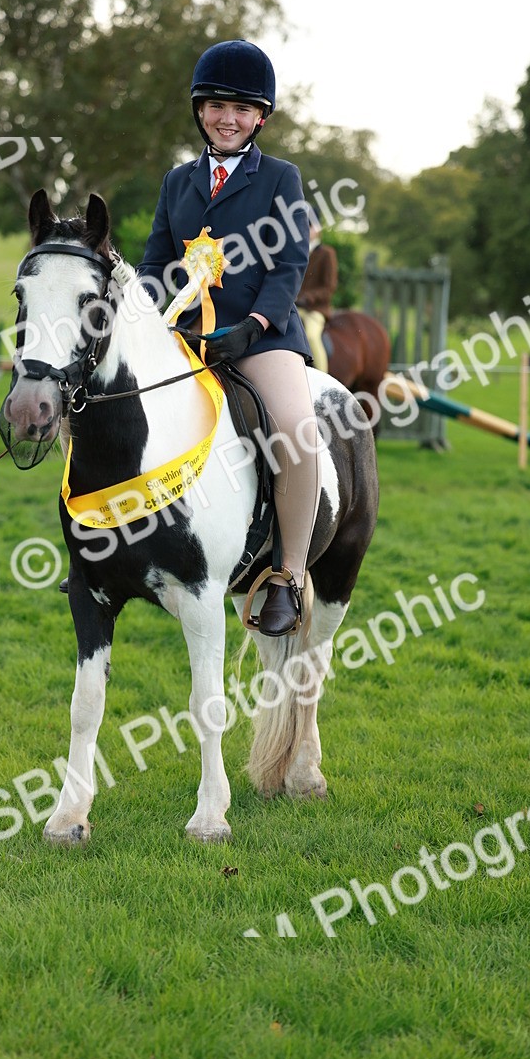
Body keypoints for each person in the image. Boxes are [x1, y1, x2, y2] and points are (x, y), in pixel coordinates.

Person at [138, 39, 321, 637]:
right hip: (186, 337)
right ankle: (106, 546)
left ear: (260, 118)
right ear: (200, 110)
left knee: (296, 429)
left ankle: (287, 575)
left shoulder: (280, 178)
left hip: (262, 336)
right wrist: (136, 311)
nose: (228, 118)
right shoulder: (177, 182)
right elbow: (156, 263)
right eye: (217, 105)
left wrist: (256, 327)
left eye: (242, 109)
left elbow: (290, 265)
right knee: (109, 403)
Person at [296, 209, 338, 374]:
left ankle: (323, 378)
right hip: (294, 307)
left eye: (310, 226)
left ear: (318, 229)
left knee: (312, 336)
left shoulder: (327, 253)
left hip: (315, 309)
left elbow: (328, 288)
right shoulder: (296, 250)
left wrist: (306, 298)